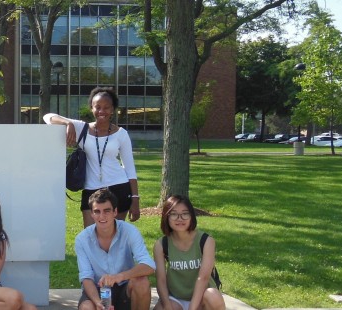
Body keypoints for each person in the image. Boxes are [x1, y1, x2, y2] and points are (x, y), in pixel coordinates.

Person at [43, 87, 140, 227]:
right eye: (98, 107)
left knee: (115, 236)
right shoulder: (81, 128)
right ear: (91, 108)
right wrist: (68, 123)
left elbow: (130, 169)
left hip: (119, 187)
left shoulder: (121, 134)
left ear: (113, 109)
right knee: (90, 234)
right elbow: (48, 117)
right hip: (91, 189)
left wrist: (135, 199)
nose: (102, 111)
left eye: (106, 107)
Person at [75, 189, 154, 310]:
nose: (102, 216)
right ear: (91, 214)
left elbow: (149, 266)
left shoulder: (129, 231)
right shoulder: (82, 239)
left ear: (115, 211)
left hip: (124, 286)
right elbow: (86, 277)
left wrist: (119, 276)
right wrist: (98, 302)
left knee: (142, 283)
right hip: (98, 289)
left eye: (107, 211)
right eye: (97, 211)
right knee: (87, 307)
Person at [153, 195, 224, 310]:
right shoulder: (161, 244)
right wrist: (167, 306)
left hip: (201, 298)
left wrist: (192, 308)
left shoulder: (206, 241)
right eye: (174, 214)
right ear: (166, 217)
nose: (180, 218)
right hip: (175, 298)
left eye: (185, 213)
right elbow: (160, 279)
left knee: (214, 296)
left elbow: (203, 278)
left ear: (191, 216)